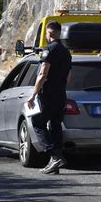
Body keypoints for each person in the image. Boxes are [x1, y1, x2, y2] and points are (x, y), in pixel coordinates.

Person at [27, 21, 72, 174]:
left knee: (37, 123)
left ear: (49, 34)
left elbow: (43, 73)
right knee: (55, 125)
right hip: (61, 94)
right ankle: (55, 162)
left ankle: (54, 155)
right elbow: (69, 76)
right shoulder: (66, 52)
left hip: (48, 95)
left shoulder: (49, 50)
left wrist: (33, 94)